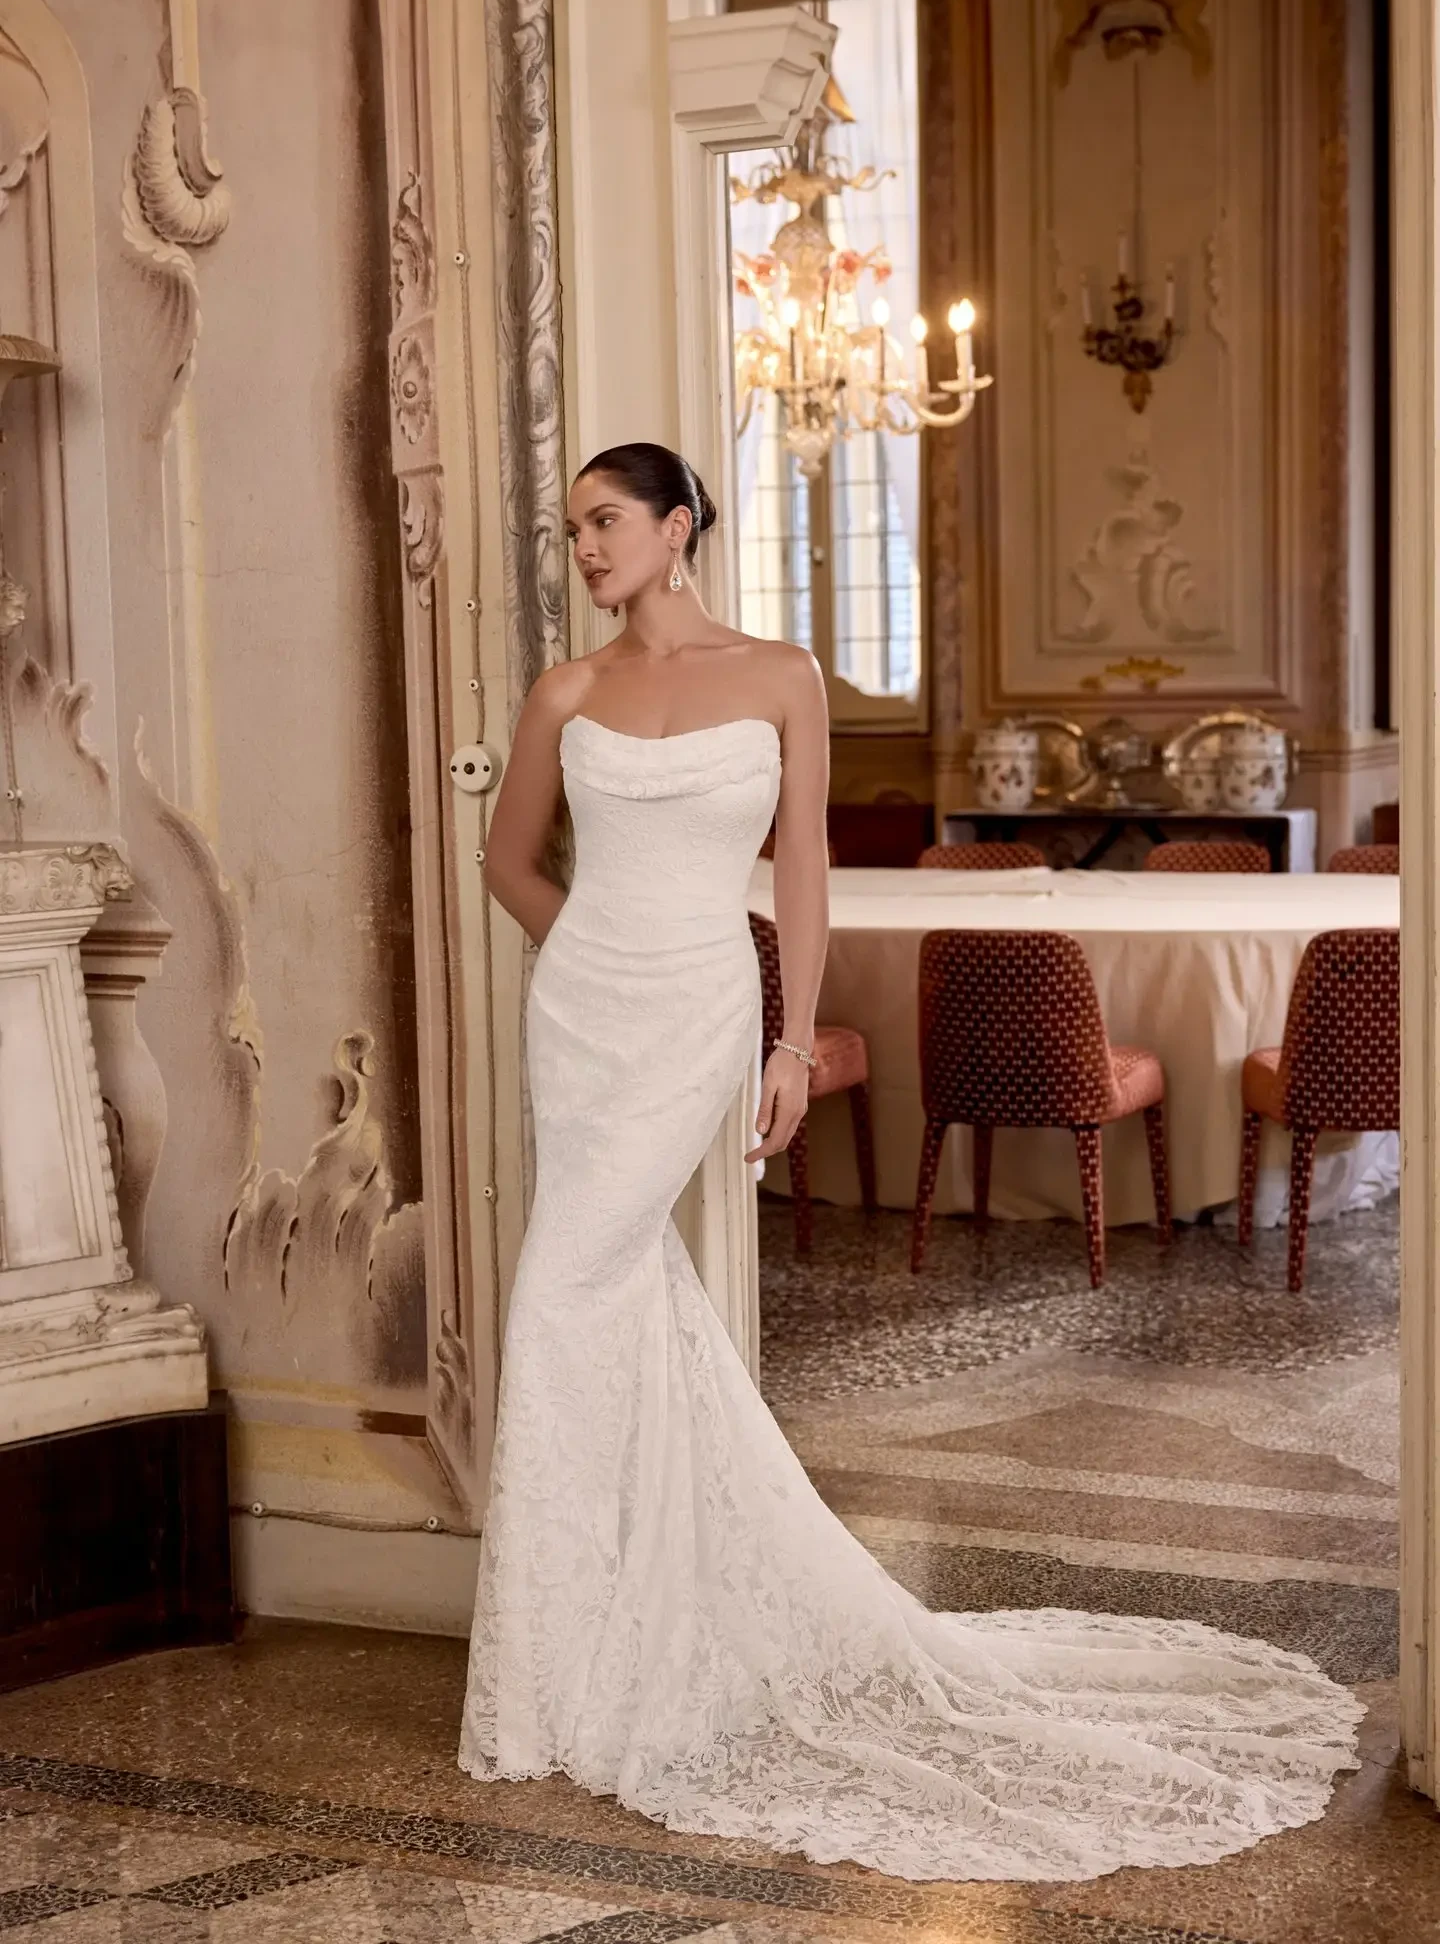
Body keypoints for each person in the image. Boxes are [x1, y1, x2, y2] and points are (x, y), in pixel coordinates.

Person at [457, 440, 1361, 1882]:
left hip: (702, 1004)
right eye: (571, 530)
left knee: (576, 1291)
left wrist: (781, 1037)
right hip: (586, 1017)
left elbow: (802, 863)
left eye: (608, 522)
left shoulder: (780, 675)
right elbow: (510, 859)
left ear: (679, 527)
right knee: (605, 1299)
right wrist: (586, 958)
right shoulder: (565, 691)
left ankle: (601, 1645)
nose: (585, 548)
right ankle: (615, 1637)